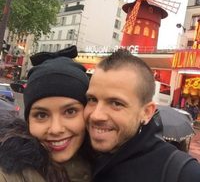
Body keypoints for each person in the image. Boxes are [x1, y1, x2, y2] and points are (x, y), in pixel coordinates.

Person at [84, 49, 200, 182]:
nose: (96, 116)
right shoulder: (76, 151)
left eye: (116, 103)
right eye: (92, 99)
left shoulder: (184, 173)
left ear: (147, 112)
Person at [0, 46, 92, 182]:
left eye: (70, 111)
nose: (56, 129)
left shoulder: (107, 164)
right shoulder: (10, 173)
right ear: (28, 121)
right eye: (41, 115)